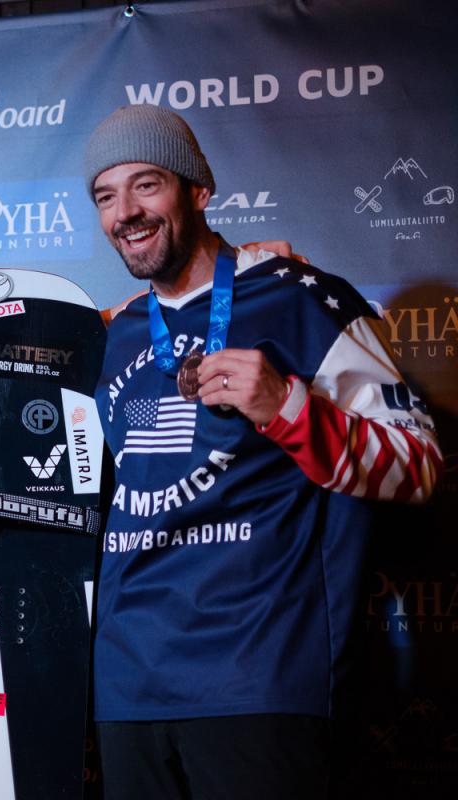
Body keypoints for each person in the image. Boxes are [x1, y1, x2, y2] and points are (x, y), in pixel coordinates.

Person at [84, 105, 441, 799]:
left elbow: (419, 465)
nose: (125, 211)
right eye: (105, 195)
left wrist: (288, 409)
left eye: (147, 184)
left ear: (199, 191)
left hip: (260, 672)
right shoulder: (117, 331)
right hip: (129, 684)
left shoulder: (302, 301)